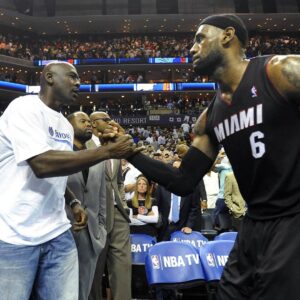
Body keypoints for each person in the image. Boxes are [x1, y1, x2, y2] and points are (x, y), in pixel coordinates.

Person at [128, 14, 300, 300]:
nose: (191, 48)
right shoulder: (211, 116)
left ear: (227, 35)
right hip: (254, 225)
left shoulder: (279, 72)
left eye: (199, 39)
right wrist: (131, 152)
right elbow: (183, 181)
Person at [0, 61, 135, 300]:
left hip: (57, 232)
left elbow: (58, 172)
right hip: (15, 234)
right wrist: (106, 152)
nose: (79, 82)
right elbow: (41, 164)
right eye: (72, 76)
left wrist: (72, 202)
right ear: (49, 77)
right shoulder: (23, 107)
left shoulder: (63, 124)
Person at [89, 111, 132, 300]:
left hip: (118, 212)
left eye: (110, 119)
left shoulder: (116, 144)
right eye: (104, 120)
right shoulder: (85, 145)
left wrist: (122, 201)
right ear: (92, 123)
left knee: (123, 268)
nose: (109, 122)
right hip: (95, 213)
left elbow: (119, 180)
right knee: (94, 270)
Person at [66, 111, 107, 300]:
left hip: (92, 236)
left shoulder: (97, 157)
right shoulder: (60, 155)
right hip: (65, 232)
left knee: (84, 291)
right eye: (82, 121)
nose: (88, 124)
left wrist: (101, 229)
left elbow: (102, 196)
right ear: (69, 125)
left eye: (90, 121)